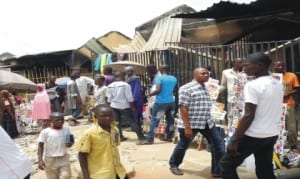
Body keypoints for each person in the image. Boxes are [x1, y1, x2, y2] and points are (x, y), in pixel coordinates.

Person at [219, 52, 284, 179]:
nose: (244, 67)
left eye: (247, 64)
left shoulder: (253, 85)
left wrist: (235, 139)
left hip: (254, 135)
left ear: (258, 66)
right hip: (271, 134)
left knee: (226, 164)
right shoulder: (277, 84)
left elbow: (249, 115)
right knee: (264, 168)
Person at [168, 67, 225, 177]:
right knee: (183, 145)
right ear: (195, 75)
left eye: (207, 74)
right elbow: (182, 107)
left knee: (218, 144)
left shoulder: (206, 87)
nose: (206, 75)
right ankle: (174, 164)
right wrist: (187, 127)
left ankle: (216, 170)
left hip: (207, 122)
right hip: (191, 123)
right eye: (203, 74)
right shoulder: (186, 88)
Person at [77, 104, 129, 179]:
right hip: (100, 174)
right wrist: (86, 176)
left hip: (118, 171)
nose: (108, 118)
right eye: (103, 116)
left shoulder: (115, 130)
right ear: (95, 117)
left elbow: (114, 149)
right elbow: (82, 155)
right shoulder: (89, 133)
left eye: (110, 115)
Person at [142, 65, 177, 144]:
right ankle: (169, 137)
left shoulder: (159, 78)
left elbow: (158, 90)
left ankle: (150, 139)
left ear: (161, 70)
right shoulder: (173, 78)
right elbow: (173, 90)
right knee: (170, 120)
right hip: (171, 102)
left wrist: (149, 94)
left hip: (161, 103)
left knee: (155, 120)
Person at [107, 72, 145, 143]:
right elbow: (129, 97)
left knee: (116, 122)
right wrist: (132, 107)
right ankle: (141, 136)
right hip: (124, 106)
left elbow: (109, 99)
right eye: (124, 76)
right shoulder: (125, 85)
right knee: (132, 121)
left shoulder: (110, 86)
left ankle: (119, 137)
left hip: (114, 106)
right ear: (122, 76)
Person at [38, 112, 74, 179]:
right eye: (57, 120)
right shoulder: (45, 132)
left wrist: (70, 143)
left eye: (62, 119)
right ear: (50, 121)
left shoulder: (66, 129)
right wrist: (40, 160)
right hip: (50, 159)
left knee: (66, 176)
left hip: (63, 158)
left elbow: (71, 139)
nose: (60, 121)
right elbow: (40, 145)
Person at [273, 60, 300, 151]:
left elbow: (296, 88)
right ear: (274, 67)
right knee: (277, 125)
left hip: (289, 103)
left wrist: (288, 93)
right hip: (275, 104)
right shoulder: (271, 77)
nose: (280, 67)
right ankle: (278, 145)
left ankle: (293, 145)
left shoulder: (291, 75)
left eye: (282, 65)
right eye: (278, 65)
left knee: (291, 126)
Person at [217, 58, 247, 125]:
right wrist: (215, 92)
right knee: (231, 117)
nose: (241, 64)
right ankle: (231, 134)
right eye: (239, 62)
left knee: (244, 117)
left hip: (245, 100)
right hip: (232, 100)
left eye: (242, 62)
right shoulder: (226, 72)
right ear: (234, 63)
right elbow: (223, 86)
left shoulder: (247, 73)